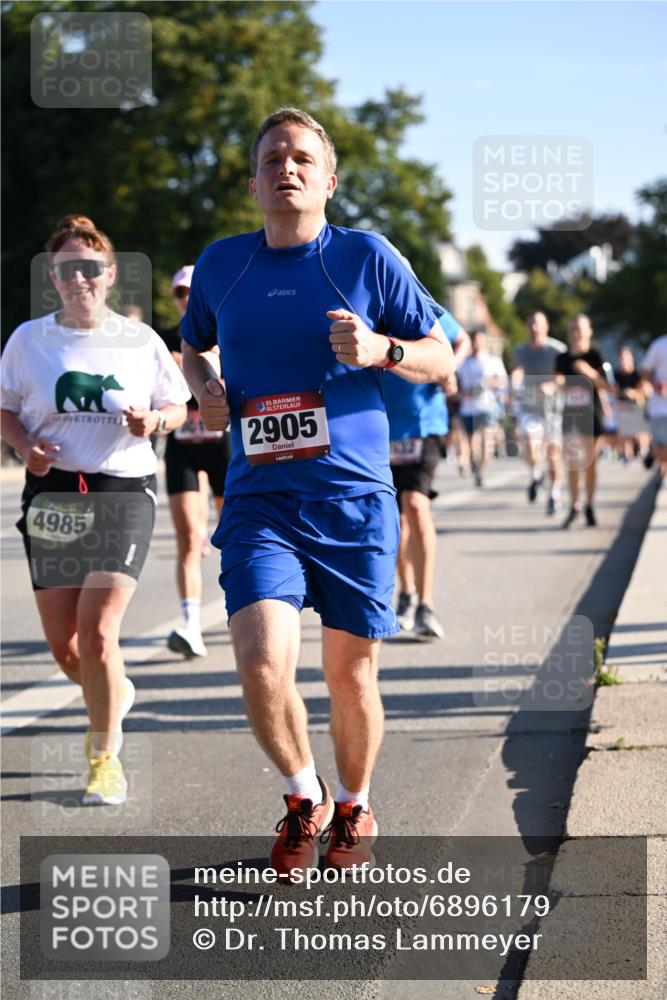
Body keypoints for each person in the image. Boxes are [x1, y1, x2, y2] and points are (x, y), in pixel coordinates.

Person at [180, 108, 454, 876]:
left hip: (353, 500)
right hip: (260, 497)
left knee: (348, 671)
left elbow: (442, 353)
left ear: (328, 181)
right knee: (261, 657)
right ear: (254, 182)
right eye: (272, 159)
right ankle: (305, 798)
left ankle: (356, 799)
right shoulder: (221, 264)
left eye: (301, 158)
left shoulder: (365, 257)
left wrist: (382, 348)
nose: (286, 169)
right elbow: (191, 343)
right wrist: (204, 387)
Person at [0, 215, 189, 805]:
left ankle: (105, 758)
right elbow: (5, 408)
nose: (78, 278)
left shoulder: (140, 341)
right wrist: (23, 447)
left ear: (109, 274)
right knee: (68, 651)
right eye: (65, 269)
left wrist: (154, 422)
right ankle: (112, 692)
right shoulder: (28, 340)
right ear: (53, 278)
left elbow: (178, 407)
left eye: (89, 267)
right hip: (53, 493)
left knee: (100, 633)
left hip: (122, 489)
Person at [160, 265, 231, 657]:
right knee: (188, 538)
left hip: (222, 444)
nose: (187, 299)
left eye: (192, 292)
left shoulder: (224, 331)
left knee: (234, 535)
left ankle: (243, 608)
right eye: (180, 293)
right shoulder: (165, 339)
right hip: (183, 445)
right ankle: (189, 625)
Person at [385, 312, 469, 638]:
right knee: (396, 518)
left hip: (425, 423)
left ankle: (426, 603)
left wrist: (450, 368)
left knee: (416, 505)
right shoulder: (370, 307)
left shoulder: (419, 304)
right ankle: (405, 594)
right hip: (385, 426)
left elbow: (461, 340)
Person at [555, 314, 610, 528]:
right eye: (574, 328)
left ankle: (590, 504)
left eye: (581, 328)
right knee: (573, 464)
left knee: (590, 465)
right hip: (570, 416)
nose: (577, 332)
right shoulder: (562, 358)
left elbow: (607, 386)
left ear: (589, 331)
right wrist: (556, 383)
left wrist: (588, 372)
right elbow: (557, 380)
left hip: (592, 416)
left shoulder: (595, 356)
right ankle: (575, 505)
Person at [511, 312, 565, 515]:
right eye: (531, 323)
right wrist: (514, 384)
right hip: (530, 407)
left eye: (538, 324)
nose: (534, 328)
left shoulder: (557, 350)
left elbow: (565, 377)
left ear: (546, 327)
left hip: (553, 409)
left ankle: (554, 493)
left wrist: (552, 384)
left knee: (553, 455)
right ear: (527, 327)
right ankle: (536, 473)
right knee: (531, 447)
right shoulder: (521, 350)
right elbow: (516, 369)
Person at [457, 329, 508, 487]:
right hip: (468, 408)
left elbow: (503, 382)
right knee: (474, 445)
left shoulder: (493, 361)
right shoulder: (463, 363)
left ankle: (481, 471)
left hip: (488, 407)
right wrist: (461, 393)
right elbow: (455, 382)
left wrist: (487, 383)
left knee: (487, 446)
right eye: (474, 340)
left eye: (479, 340)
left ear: (484, 341)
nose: (476, 343)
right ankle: (475, 467)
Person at [613, 346, 649, 462]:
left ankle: (643, 451)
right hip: (623, 407)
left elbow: (647, 390)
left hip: (638, 406)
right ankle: (627, 455)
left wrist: (635, 393)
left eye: (625, 358)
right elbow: (613, 391)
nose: (623, 361)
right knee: (624, 432)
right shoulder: (616, 375)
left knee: (640, 430)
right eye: (621, 359)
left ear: (631, 358)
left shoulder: (638, 373)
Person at [639, 333, 667, 481]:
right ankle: (654, 453)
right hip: (661, 407)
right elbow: (644, 369)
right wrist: (655, 382)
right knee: (663, 449)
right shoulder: (659, 344)